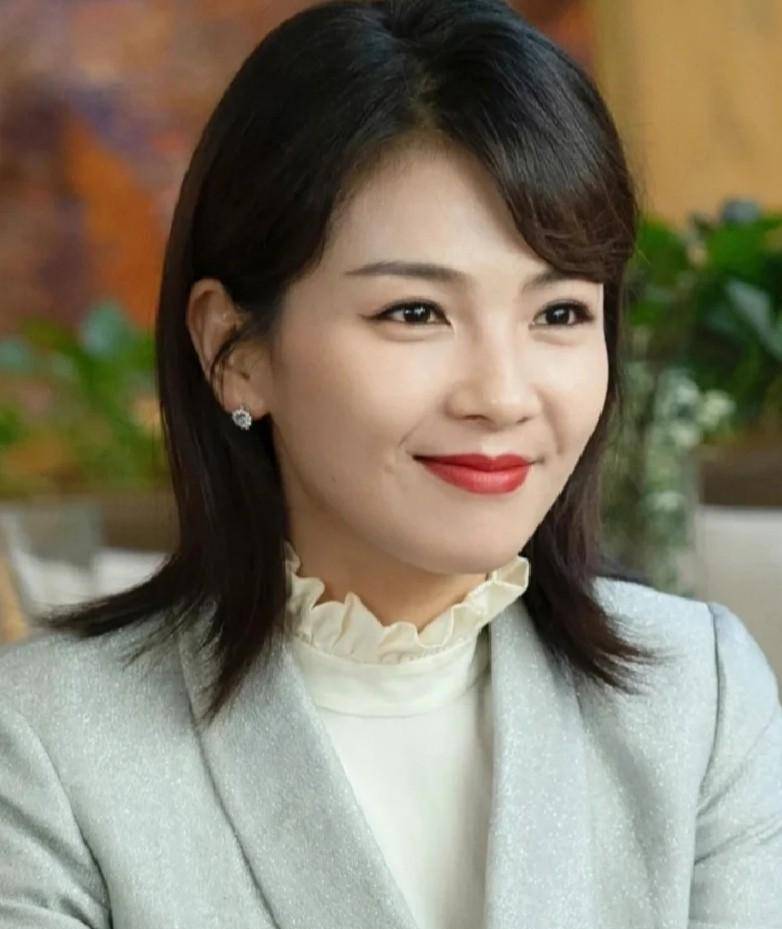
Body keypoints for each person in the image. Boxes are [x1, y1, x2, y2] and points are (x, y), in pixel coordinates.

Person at [1, 0, 780, 926]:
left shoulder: (698, 696)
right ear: (234, 349)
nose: (503, 394)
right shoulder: (46, 743)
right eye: (415, 312)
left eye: (559, 313)